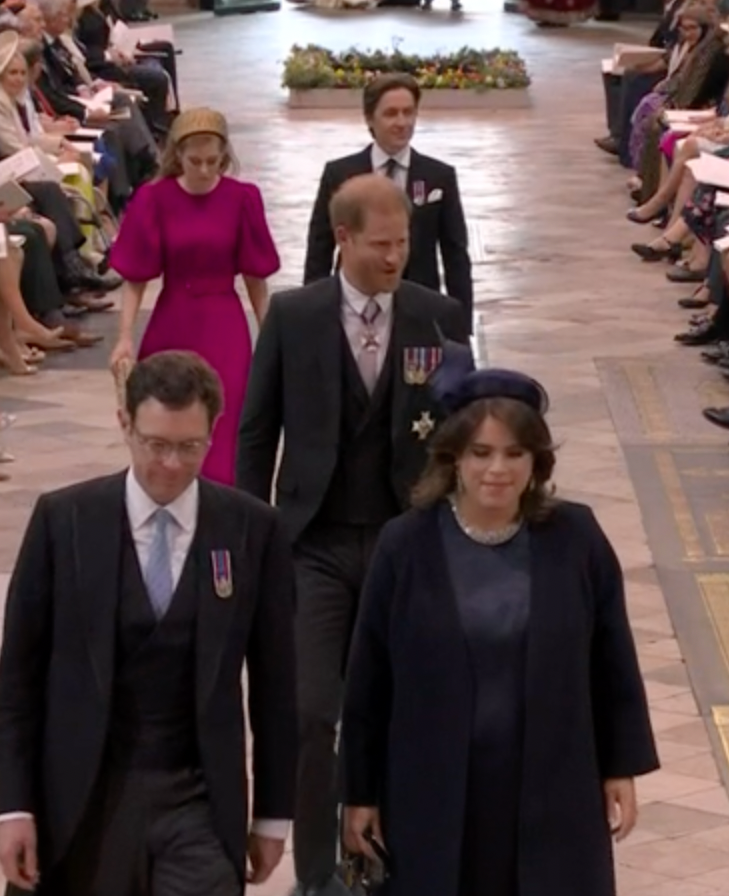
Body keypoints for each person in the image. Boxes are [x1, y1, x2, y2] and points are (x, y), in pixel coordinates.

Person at [341, 343, 659, 896]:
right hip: (433, 786)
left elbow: (612, 662)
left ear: (536, 462)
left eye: (514, 454)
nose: (497, 469)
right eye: (481, 452)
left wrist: (619, 767)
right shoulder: (405, 545)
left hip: (552, 782)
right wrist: (359, 792)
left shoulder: (576, 538)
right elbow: (370, 679)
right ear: (453, 459)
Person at [0, 351, 297, 896]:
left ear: (213, 433)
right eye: (156, 444)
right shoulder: (65, 523)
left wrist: (273, 815)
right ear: (125, 424)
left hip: (197, 797)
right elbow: (18, 682)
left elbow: (277, 686)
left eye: (189, 446)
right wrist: (14, 806)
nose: (172, 464)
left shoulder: (252, 530)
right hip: (86, 798)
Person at [237, 173, 467, 896]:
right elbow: (255, 432)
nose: (396, 258)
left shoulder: (437, 316)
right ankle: (315, 876)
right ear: (343, 239)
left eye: (404, 243)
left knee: (406, 704)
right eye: (381, 245)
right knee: (311, 713)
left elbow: (464, 430)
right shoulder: (295, 316)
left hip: (405, 542)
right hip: (315, 543)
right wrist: (255, 534)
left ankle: (390, 861)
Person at [108, 108, 279, 487]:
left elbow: (254, 275)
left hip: (224, 321)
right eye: (195, 161)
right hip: (174, 318)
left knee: (227, 414)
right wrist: (124, 336)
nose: (204, 170)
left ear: (224, 156)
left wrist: (268, 328)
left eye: (213, 162)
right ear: (178, 157)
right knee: (166, 408)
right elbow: (135, 277)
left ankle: (222, 499)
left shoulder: (242, 198)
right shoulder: (155, 199)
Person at [304, 74, 473, 336]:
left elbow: (456, 256)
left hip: (420, 312)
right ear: (370, 118)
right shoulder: (340, 174)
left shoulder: (439, 176)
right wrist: (313, 316)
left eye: (409, 113)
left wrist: (461, 326)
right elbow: (319, 250)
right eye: (391, 113)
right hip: (352, 311)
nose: (402, 122)